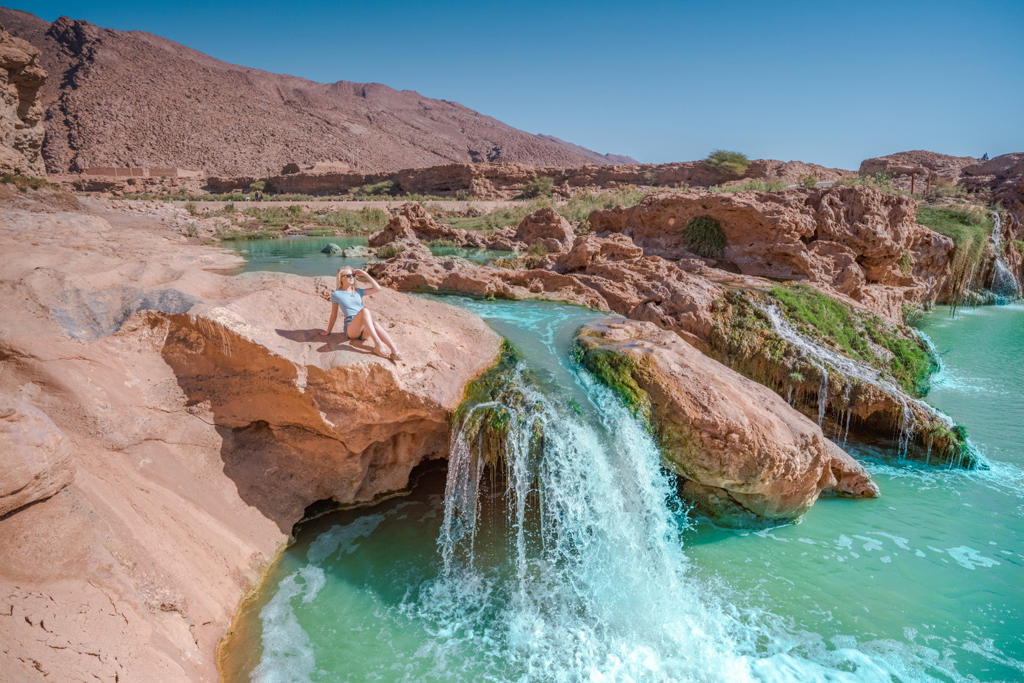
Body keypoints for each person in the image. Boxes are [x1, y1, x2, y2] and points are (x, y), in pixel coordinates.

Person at [319, 267, 402, 360]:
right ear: (341, 278)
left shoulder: (358, 291)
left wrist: (365, 274)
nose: (351, 277)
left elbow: (377, 288)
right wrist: (328, 332)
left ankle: (394, 350)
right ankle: (378, 345)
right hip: (351, 328)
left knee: (375, 324)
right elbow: (333, 314)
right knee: (364, 311)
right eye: (348, 275)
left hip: (364, 327)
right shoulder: (336, 294)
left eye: (353, 275)